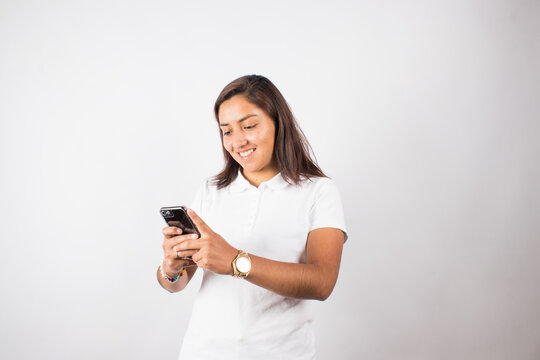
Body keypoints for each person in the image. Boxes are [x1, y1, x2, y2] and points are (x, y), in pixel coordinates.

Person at [157, 75, 348, 360]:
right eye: (227, 131)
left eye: (249, 126)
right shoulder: (211, 190)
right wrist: (171, 268)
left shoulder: (319, 192)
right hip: (203, 351)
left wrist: (235, 261)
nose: (238, 141)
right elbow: (178, 282)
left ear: (277, 123)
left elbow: (321, 283)